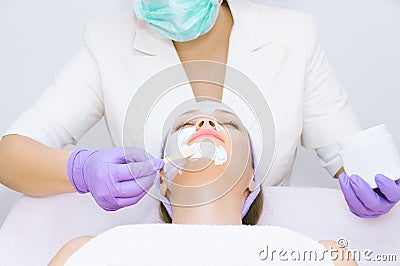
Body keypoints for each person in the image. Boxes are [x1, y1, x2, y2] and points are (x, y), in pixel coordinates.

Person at [0, 0, 398, 218]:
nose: (207, 122)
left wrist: (380, 183)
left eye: (227, 122)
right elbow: (9, 155)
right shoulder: (106, 40)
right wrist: (79, 170)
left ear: (250, 186)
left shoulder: (293, 35)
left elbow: (355, 156)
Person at [49, 107, 357, 265]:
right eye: (186, 125)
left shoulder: (323, 256)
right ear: (163, 179)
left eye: (230, 125)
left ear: (252, 178)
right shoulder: (87, 252)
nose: (206, 124)